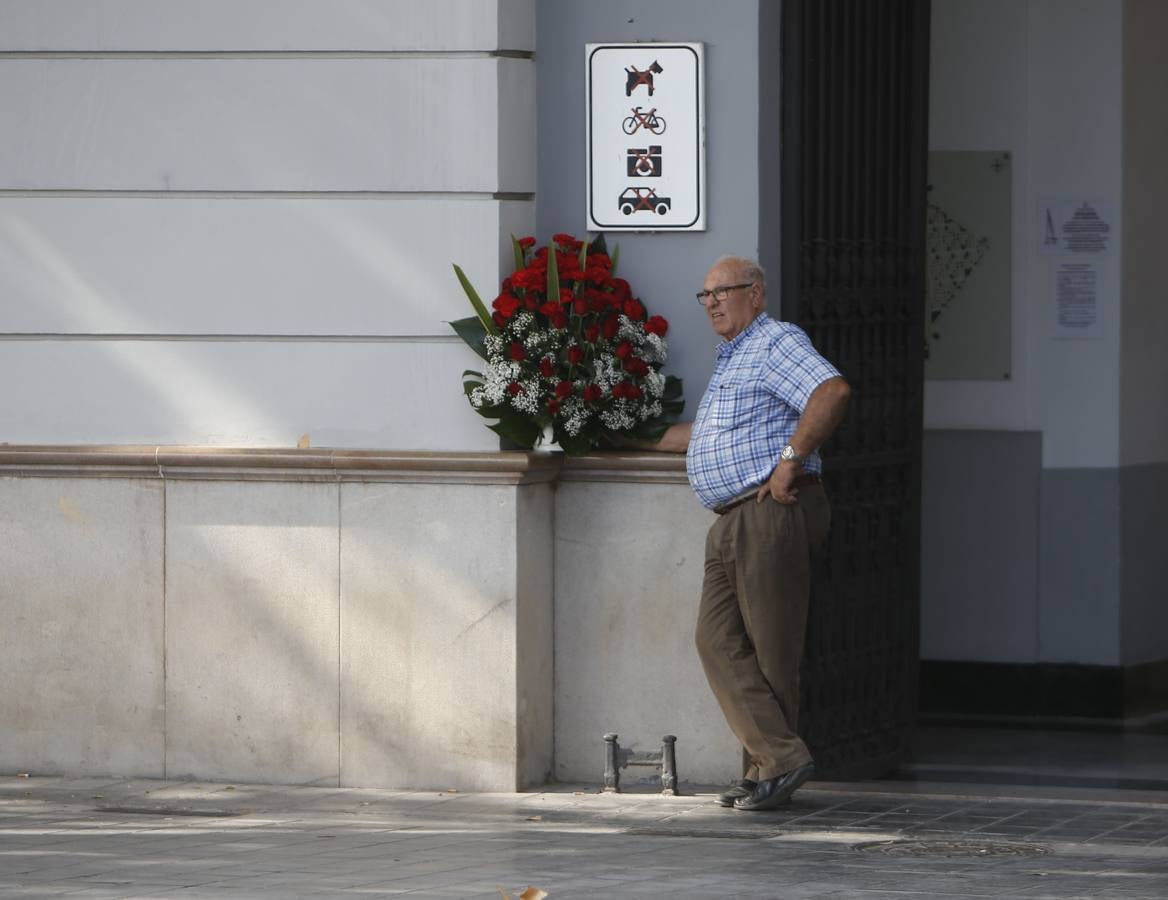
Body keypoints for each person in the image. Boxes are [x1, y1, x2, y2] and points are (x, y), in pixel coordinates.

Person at [650, 255, 850, 811]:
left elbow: (831, 391)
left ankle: (771, 768)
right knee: (715, 640)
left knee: (770, 651)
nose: (711, 301)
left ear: (755, 295)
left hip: (766, 511)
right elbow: (703, 435)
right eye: (705, 294)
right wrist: (602, 428)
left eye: (724, 291)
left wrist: (791, 459)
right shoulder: (733, 358)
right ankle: (774, 760)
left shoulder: (773, 342)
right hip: (730, 518)